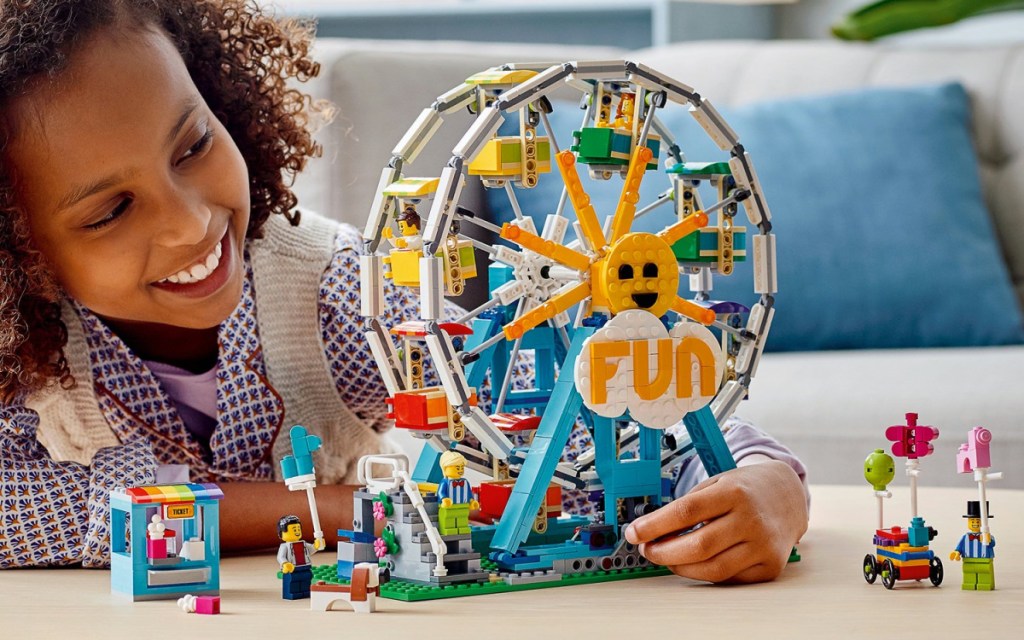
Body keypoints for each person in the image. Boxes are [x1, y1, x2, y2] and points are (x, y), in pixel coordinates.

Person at [0, 0, 808, 582]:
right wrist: (350, 511)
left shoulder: (331, 289)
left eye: (193, 144)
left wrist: (767, 483)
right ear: (17, 247)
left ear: (221, 98)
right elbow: (19, 509)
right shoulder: (20, 363)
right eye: (109, 211)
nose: (188, 224)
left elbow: (577, 410)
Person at [949, 500, 996, 590]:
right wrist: (956, 552)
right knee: (968, 572)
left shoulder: (987, 535)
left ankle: (984, 584)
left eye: (978, 521)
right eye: (972, 521)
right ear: (968, 522)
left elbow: (992, 544)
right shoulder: (966, 537)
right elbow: (960, 546)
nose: (975, 523)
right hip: (968, 560)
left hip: (984, 560)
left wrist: (988, 539)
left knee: (984, 573)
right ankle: (969, 583)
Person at [277, 515, 323, 600]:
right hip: (292, 568)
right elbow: (280, 557)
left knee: (306, 579)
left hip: (305, 566)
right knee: (293, 581)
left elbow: (310, 551)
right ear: (282, 533)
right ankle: (292, 593)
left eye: (298, 529)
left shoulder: (303, 543)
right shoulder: (284, 546)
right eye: (294, 530)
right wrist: (285, 563)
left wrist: (316, 546)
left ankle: (305, 592)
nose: (297, 532)